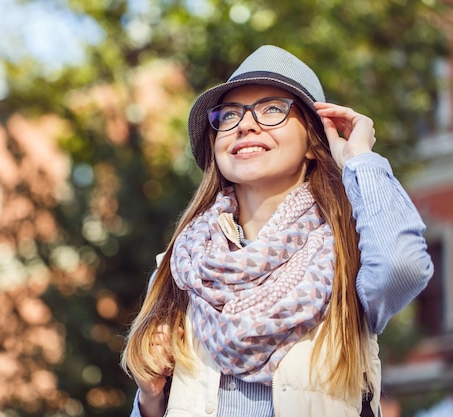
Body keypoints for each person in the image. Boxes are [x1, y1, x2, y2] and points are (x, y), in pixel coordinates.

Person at [120, 45, 434, 417]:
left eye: (273, 109)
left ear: (313, 144)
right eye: (230, 115)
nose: (245, 125)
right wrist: (150, 400)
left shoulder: (347, 258)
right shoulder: (183, 267)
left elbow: (405, 266)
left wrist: (358, 159)